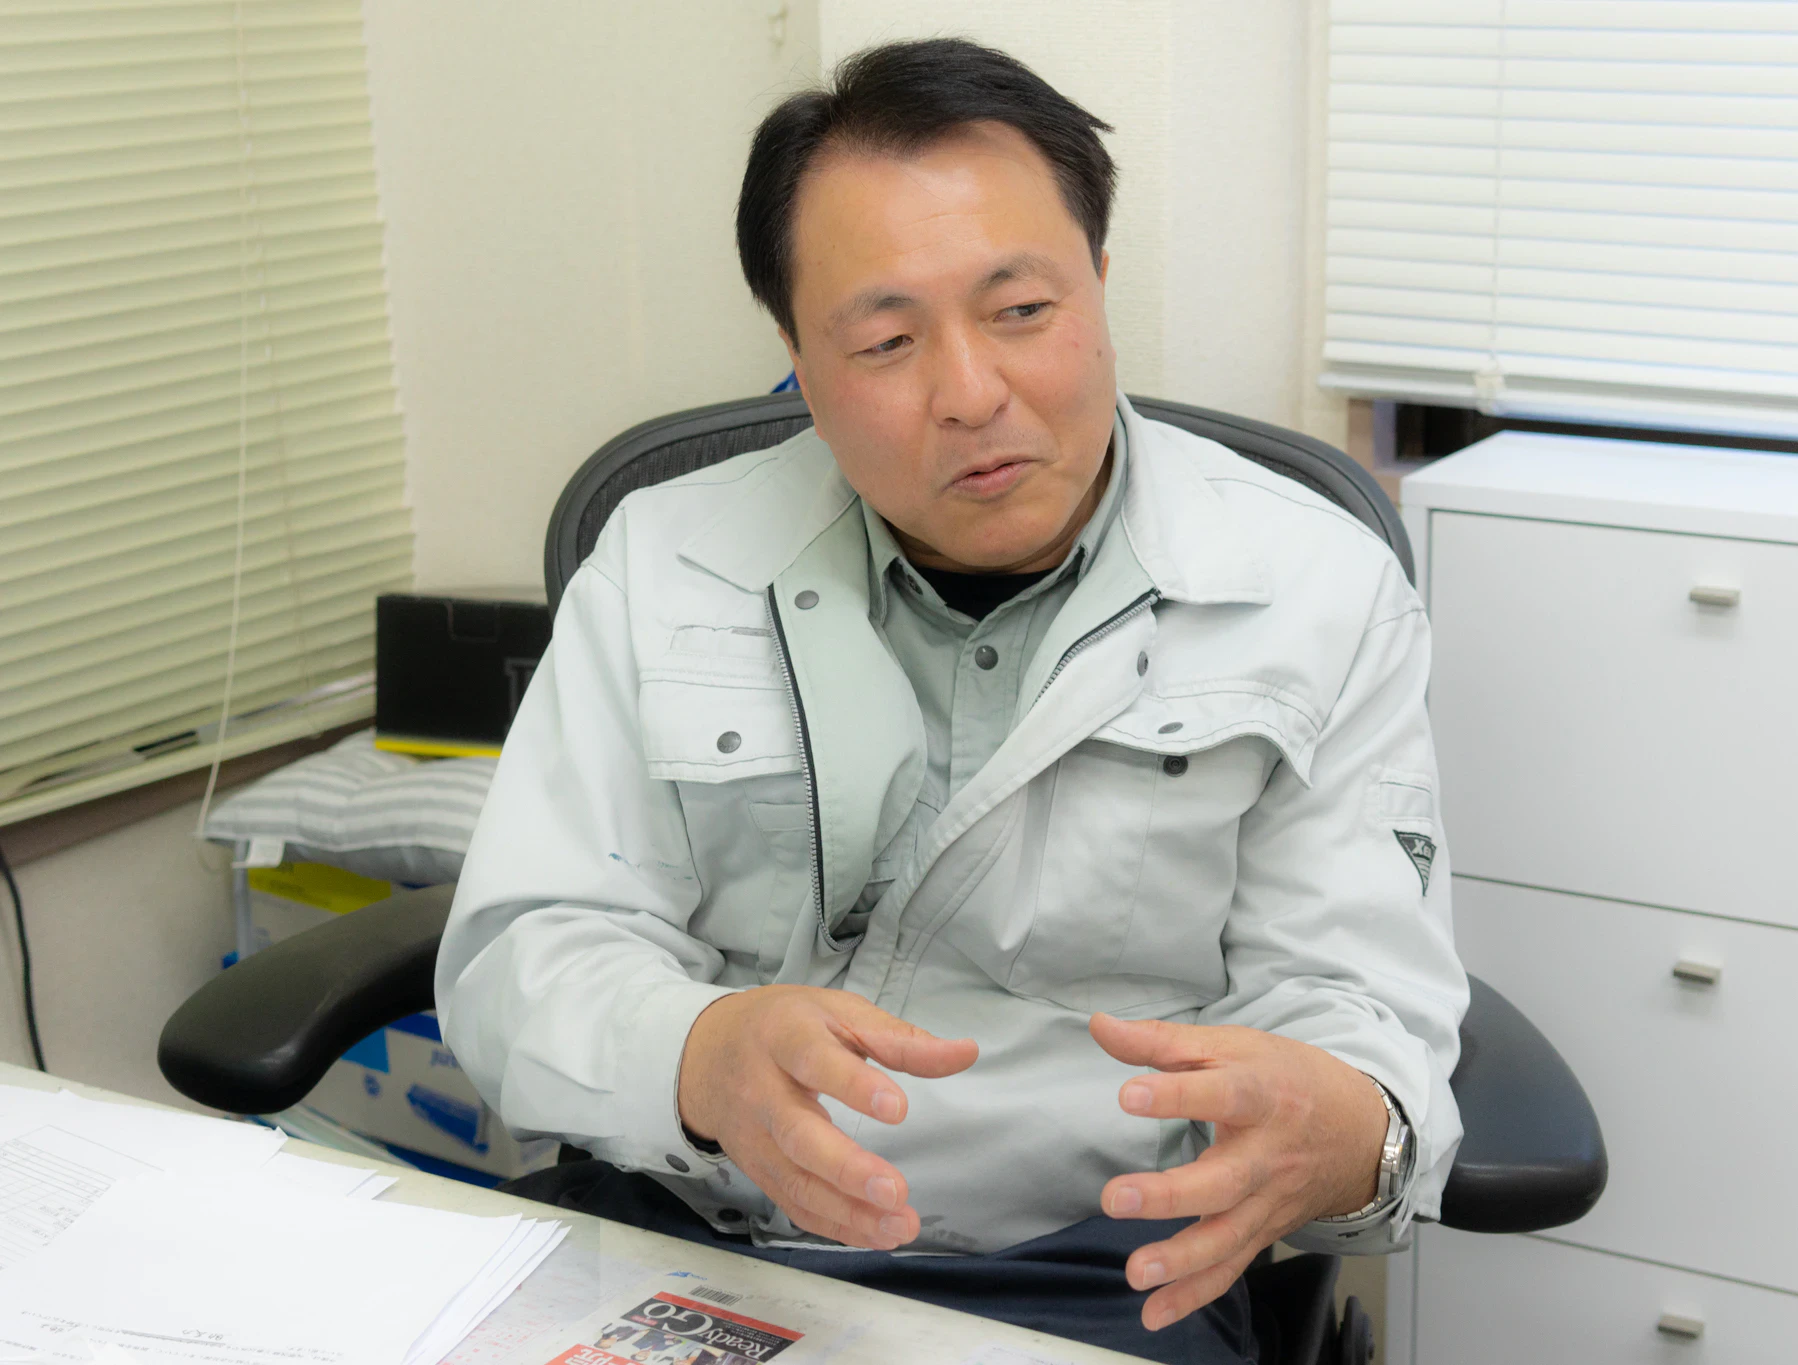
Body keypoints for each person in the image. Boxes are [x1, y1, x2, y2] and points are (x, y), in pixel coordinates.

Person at [438, 36, 1466, 1365]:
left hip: (1099, 1271)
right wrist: (695, 1056)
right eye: (885, 340)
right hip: (690, 1227)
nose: (971, 394)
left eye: (1021, 310)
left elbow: (1358, 1008)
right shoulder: (664, 561)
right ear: (798, 360)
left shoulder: (1313, 587)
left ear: (1099, 284)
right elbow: (524, 953)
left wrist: (1352, 1127)